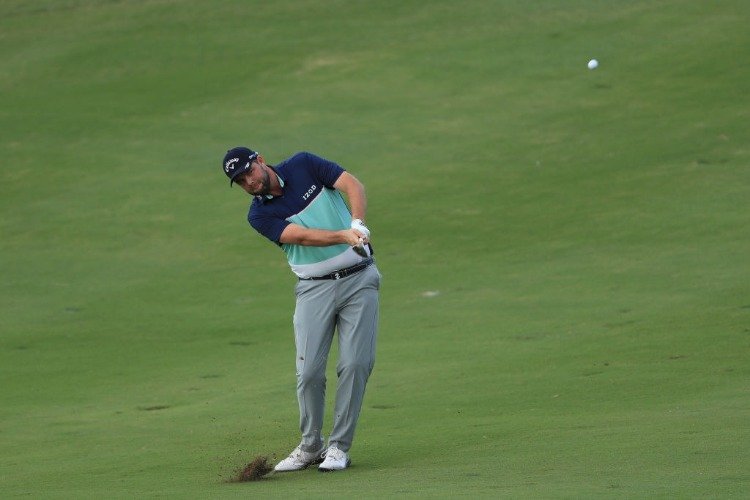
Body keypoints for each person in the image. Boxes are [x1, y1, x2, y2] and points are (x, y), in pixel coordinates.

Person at [221, 147, 381, 472]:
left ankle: (338, 448)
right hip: (313, 289)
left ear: (260, 161)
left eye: (249, 171)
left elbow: (353, 185)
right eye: (240, 181)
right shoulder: (259, 216)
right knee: (308, 373)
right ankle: (311, 446)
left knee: (355, 364)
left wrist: (358, 223)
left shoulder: (304, 164)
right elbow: (303, 237)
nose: (249, 181)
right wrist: (343, 235)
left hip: (359, 280)